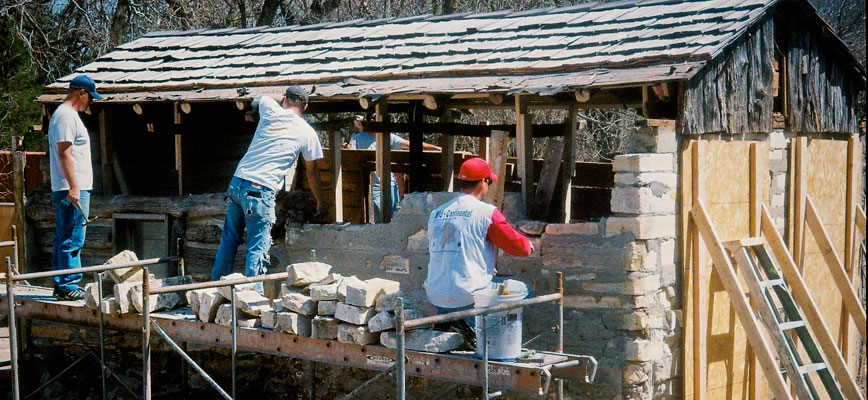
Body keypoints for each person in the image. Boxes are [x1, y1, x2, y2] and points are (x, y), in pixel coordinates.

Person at [211, 86, 327, 281]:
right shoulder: (307, 132)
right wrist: (321, 201)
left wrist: (281, 97)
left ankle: (213, 290)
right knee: (257, 247)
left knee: (229, 239)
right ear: (305, 107)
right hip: (259, 191)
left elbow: (263, 96)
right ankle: (253, 300)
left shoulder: (269, 109)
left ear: (285, 100)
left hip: (238, 183)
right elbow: (312, 173)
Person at [424, 157, 534, 318]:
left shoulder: (437, 213)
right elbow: (521, 248)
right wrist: (529, 244)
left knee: (455, 301)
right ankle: (490, 333)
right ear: (483, 181)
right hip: (468, 297)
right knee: (525, 290)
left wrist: (482, 265)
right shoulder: (486, 212)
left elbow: (448, 249)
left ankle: (453, 325)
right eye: (489, 182)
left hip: (435, 295)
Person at [48, 75, 103, 300]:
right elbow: (64, 152)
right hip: (71, 188)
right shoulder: (66, 116)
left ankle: (61, 282)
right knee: (73, 236)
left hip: (71, 186)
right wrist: (74, 187)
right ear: (81, 93)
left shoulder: (65, 115)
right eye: (89, 97)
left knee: (64, 235)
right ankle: (69, 284)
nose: (89, 102)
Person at [347, 114, 440, 222]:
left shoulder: (388, 136)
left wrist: (437, 148)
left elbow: (409, 144)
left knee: (391, 218)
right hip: (372, 187)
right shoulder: (357, 139)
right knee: (381, 218)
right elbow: (350, 155)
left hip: (390, 185)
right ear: (371, 121)